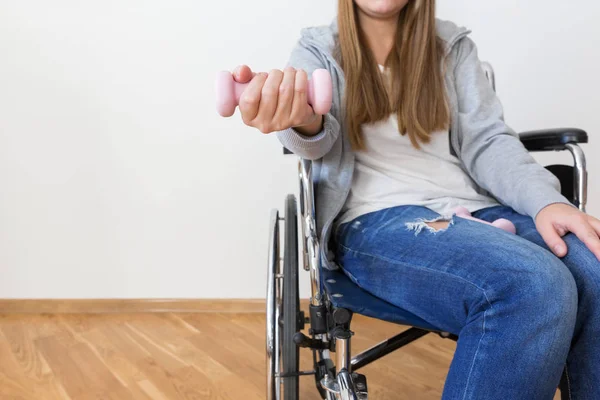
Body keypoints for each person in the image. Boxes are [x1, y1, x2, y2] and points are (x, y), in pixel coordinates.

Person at [232, 0, 600, 398]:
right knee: (531, 284)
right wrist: (302, 119)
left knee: (593, 269)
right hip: (376, 219)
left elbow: (488, 142)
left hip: (475, 206)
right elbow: (315, 136)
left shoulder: (452, 47)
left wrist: (547, 201)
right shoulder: (318, 51)